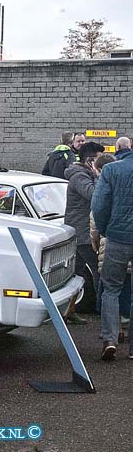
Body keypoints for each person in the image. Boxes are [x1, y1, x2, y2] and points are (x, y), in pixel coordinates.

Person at [92, 138, 133, 361]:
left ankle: (110, 339)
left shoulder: (110, 169)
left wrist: (106, 228)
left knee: (111, 289)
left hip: (118, 237)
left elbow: (99, 205)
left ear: (118, 150)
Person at [63, 141, 105, 323]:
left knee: (76, 274)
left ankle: (69, 311)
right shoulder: (79, 176)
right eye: (98, 159)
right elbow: (94, 195)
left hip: (82, 230)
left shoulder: (84, 174)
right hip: (83, 232)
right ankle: (105, 313)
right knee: (98, 271)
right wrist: (99, 176)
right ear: (89, 160)